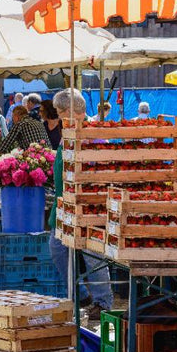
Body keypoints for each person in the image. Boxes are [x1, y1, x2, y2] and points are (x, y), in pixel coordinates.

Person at [49, 89, 113, 319]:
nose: (58, 117)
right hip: (66, 205)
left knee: (92, 253)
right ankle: (82, 294)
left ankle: (103, 302)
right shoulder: (68, 131)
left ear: (72, 111)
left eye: (60, 112)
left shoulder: (93, 134)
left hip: (89, 204)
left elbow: (101, 169)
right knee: (57, 248)